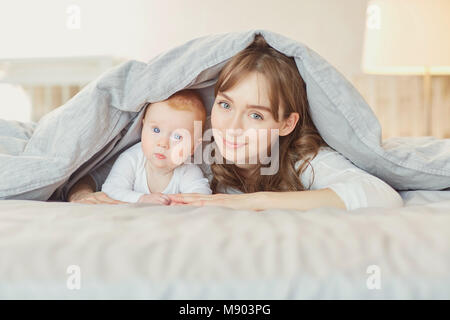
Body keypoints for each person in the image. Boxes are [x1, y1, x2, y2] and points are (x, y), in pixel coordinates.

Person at [68, 35, 403, 211]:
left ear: (286, 124)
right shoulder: (198, 146)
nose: (232, 127)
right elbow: (98, 166)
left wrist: (254, 201)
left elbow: (381, 194)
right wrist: (82, 193)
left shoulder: (303, 159)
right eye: (226, 105)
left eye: (256, 115)